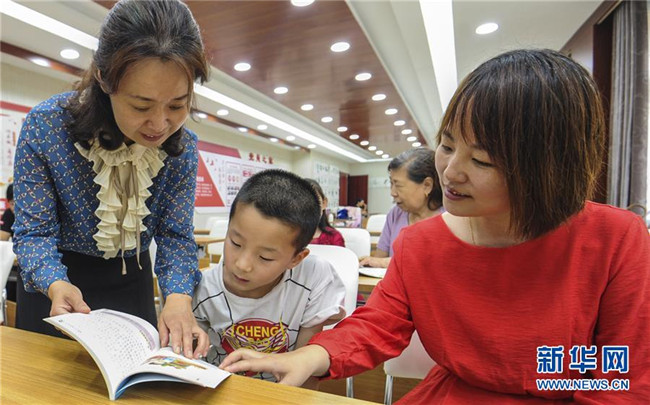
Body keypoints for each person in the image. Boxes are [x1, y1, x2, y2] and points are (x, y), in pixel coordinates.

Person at [219, 49, 650, 403]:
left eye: (481, 160)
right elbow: (378, 324)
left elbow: (621, 379)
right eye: (446, 144)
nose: (450, 172)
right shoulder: (420, 243)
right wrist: (310, 356)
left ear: (547, 168)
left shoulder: (615, 239)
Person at [13, 0, 210, 359]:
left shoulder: (183, 148)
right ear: (104, 79)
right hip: (54, 287)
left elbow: (175, 235)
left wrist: (179, 297)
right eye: (141, 106)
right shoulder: (47, 127)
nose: (160, 124)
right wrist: (54, 283)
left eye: (177, 105)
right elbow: (34, 233)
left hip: (132, 283)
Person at [192, 170, 345, 383]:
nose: (242, 265)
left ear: (296, 258)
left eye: (265, 257)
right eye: (235, 243)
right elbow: (188, 362)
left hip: (284, 389)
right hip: (220, 385)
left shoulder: (314, 278)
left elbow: (306, 369)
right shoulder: (202, 285)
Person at [359, 148, 443, 268]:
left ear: (427, 185)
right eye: (391, 183)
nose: (392, 193)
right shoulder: (395, 214)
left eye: (398, 185)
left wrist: (385, 262)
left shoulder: (451, 219)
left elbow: (436, 267)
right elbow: (379, 261)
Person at [304, 178, 345, 247]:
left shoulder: (334, 238)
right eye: (302, 202)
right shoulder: (289, 237)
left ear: (324, 203)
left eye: (315, 201)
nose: (310, 207)